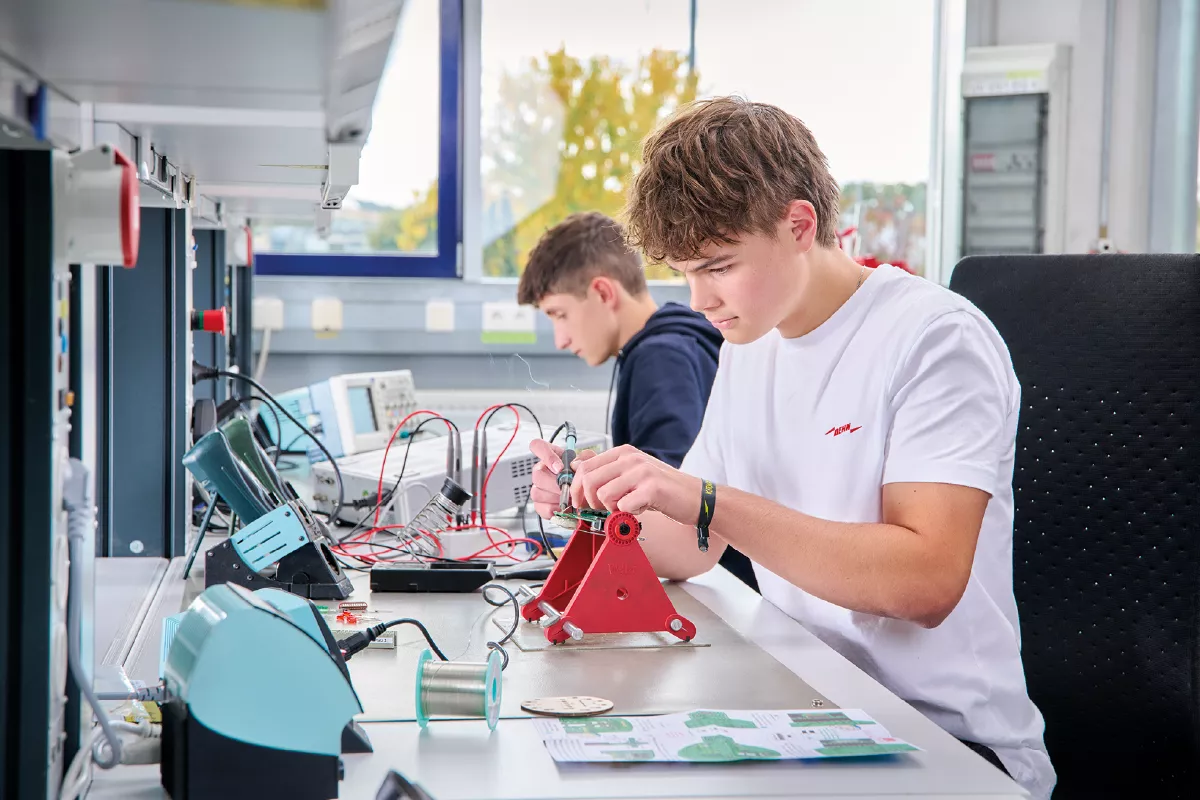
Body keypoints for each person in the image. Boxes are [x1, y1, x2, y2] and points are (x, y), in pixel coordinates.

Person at [526, 98, 1055, 799]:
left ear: (799, 225)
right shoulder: (754, 342)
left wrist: (701, 496)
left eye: (718, 266)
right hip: (813, 703)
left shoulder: (934, 338)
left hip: (945, 743)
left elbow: (922, 584)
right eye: (686, 273)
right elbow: (692, 546)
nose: (699, 298)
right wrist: (595, 503)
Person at [517, 211, 757, 589]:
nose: (560, 339)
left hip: (734, 590)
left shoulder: (661, 359)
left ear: (602, 292)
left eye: (559, 314)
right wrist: (584, 496)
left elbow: (670, 512)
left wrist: (584, 500)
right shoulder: (669, 347)